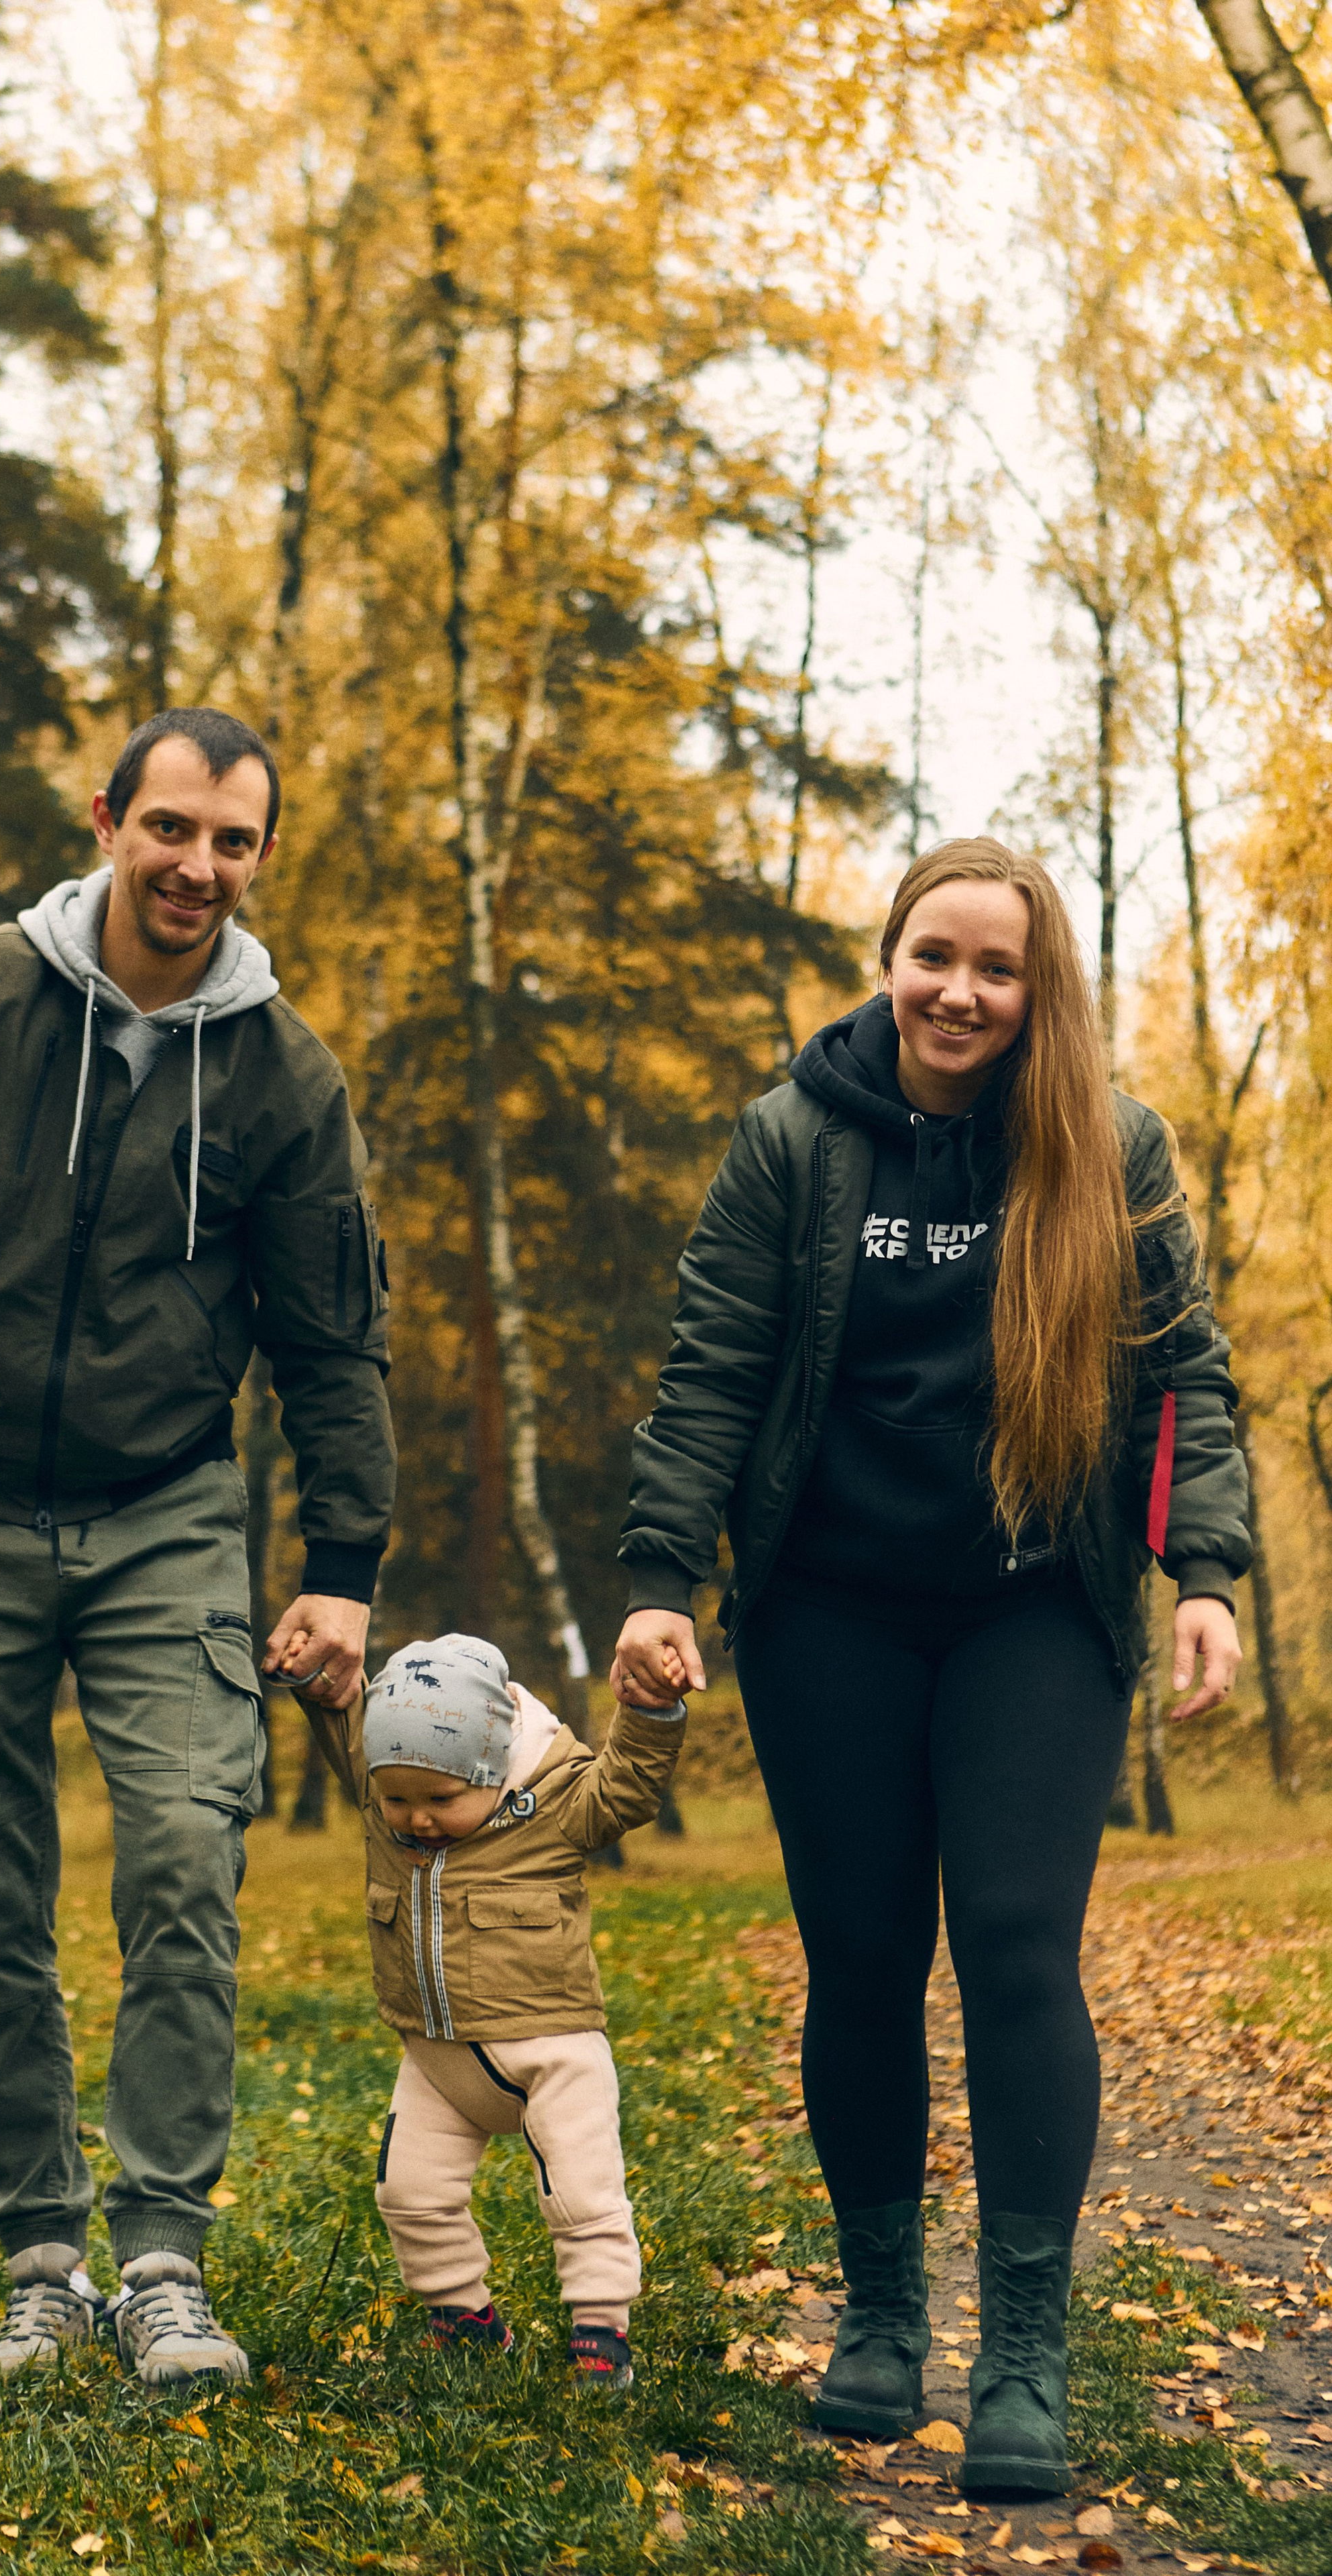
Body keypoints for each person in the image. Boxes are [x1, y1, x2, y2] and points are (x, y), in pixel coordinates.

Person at [0, 706, 395, 2386]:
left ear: (261, 860)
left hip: (168, 1511)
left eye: (232, 841)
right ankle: (42, 2254)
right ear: (108, 819)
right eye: (169, 826)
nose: (195, 865)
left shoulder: (282, 1074)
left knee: (185, 1854)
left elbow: (332, 1341)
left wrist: (342, 1560)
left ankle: (164, 2256)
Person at [609, 839, 1249, 2495]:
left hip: (1031, 1607)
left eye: (997, 965)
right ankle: (882, 2316)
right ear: (885, 958)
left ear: (1042, 990)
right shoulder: (790, 1140)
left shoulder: (1107, 1146)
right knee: (862, 1953)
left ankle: (1021, 2347)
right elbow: (713, 1370)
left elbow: (1181, 1378)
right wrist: (663, 1577)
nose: (959, 990)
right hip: (829, 1610)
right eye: (931, 955)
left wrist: (1203, 1572)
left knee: (1019, 1948)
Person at [302, 1633, 686, 2392]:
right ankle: (463, 2317)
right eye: (397, 1800)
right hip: (438, 2060)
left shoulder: (556, 1801)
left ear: (493, 1768)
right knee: (408, 2194)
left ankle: (600, 2328)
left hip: (554, 2055)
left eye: (442, 1800)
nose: (416, 1820)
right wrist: (317, 1677)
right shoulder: (386, 1797)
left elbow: (631, 1787)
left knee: (581, 2197)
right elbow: (343, 1723)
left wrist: (649, 1709)